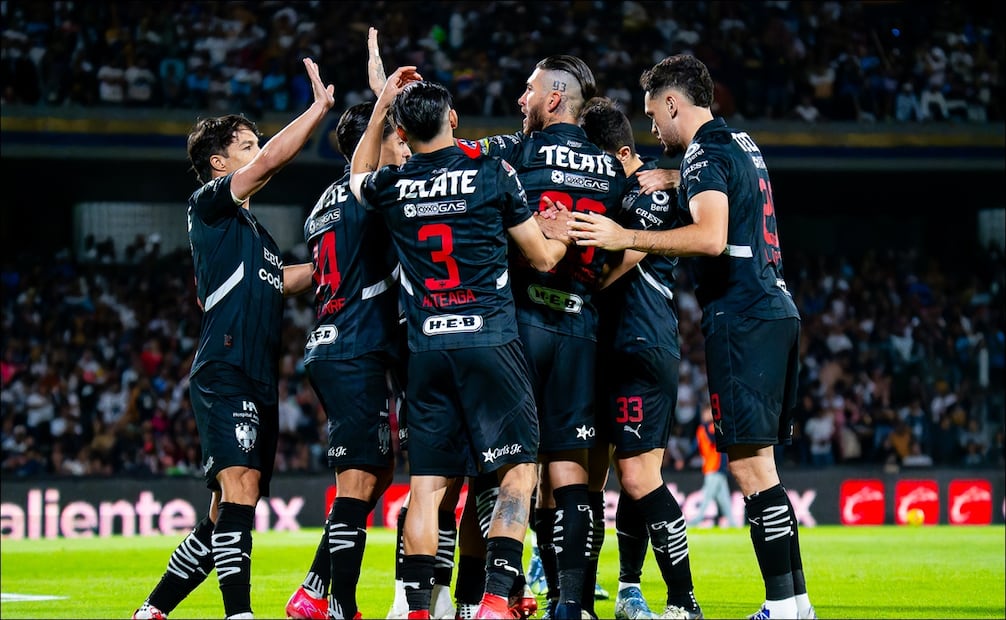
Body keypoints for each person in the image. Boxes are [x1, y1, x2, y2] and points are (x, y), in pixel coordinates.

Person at [568, 54, 816, 620]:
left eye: (655, 112)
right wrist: (675, 178)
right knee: (764, 468)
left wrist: (621, 232)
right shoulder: (740, 144)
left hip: (741, 314)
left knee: (752, 470)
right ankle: (796, 603)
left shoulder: (703, 151)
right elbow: (721, 183)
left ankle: (781, 605)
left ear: (674, 102)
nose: (652, 126)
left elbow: (709, 237)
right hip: (775, 307)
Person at [349, 68, 571, 620]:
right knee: (518, 473)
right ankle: (497, 599)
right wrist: (561, 234)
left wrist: (382, 104)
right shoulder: (491, 173)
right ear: (453, 119)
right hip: (490, 341)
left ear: (401, 131)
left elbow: (356, 173)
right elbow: (541, 258)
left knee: (425, 488)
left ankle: (419, 610)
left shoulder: (391, 185)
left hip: (426, 350)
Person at [131, 57, 334, 620]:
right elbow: (272, 162)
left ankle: (153, 611)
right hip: (224, 368)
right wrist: (316, 111)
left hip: (257, 374)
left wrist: (335, 255)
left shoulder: (256, 237)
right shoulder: (210, 206)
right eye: (247, 144)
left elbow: (287, 278)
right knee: (240, 484)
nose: (258, 148)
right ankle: (239, 614)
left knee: (225, 511)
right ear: (220, 163)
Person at [463, 55, 628, 620]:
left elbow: (443, 164)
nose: (520, 100)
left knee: (509, 469)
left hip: (520, 324)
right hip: (580, 328)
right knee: (570, 471)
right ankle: (571, 605)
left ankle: (493, 599)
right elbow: (635, 233)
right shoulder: (610, 170)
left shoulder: (514, 152)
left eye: (528, 90)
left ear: (553, 100)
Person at [283, 99, 412, 620]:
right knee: (359, 484)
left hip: (335, 343)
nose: (403, 145)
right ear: (372, 140)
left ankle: (314, 589)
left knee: (372, 476)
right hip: (357, 346)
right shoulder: (372, 196)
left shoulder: (322, 204)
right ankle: (341, 608)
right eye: (394, 136)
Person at [575, 97, 703, 620]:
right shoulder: (615, 197)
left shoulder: (649, 192)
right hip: (598, 351)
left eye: (597, 160)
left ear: (623, 154)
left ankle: (680, 599)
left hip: (641, 347)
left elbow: (609, 269)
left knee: (638, 478)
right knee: (588, 481)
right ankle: (586, 597)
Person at [688, 405, 738, 528]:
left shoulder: (711, 427)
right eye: (706, 413)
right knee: (707, 496)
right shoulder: (704, 428)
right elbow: (712, 439)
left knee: (724, 499)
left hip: (719, 468)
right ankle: (697, 519)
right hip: (712, 467)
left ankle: (732, 523)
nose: (708, 415)